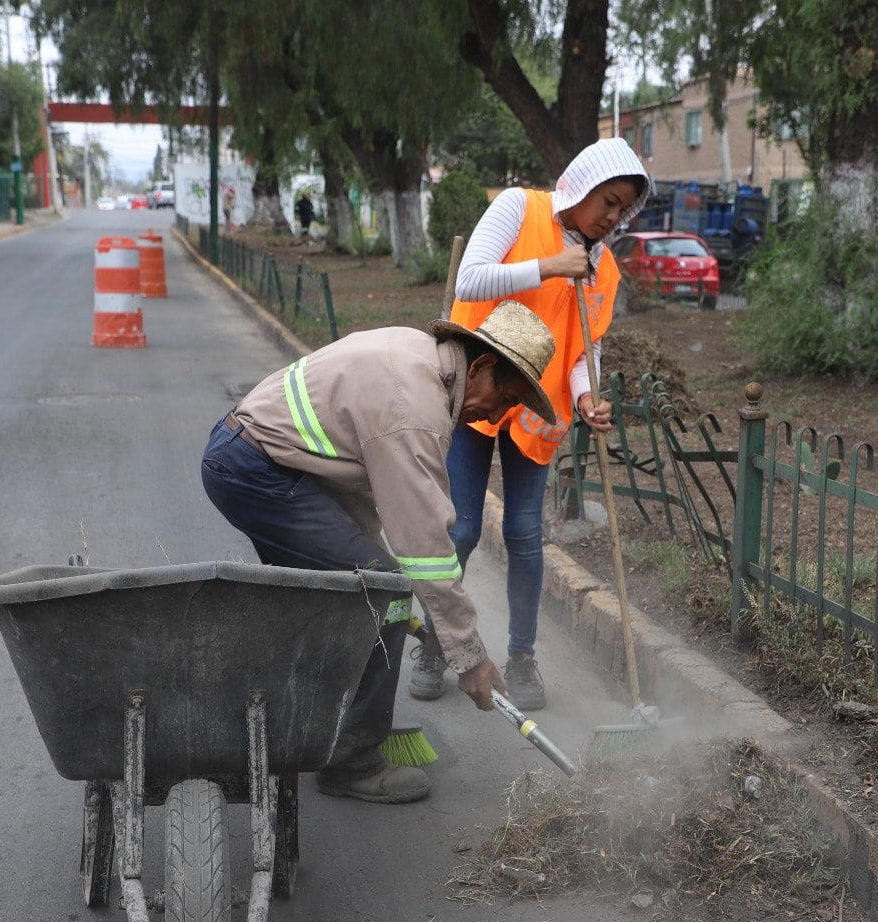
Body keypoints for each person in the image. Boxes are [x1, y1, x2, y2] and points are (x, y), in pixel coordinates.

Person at [201, 302, 558, 803]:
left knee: (352, 588)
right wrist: (468, 655)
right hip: (259, 471)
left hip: (258, 460)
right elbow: (426, 547)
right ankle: (352, 763)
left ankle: (302, 728)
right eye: (505, 396)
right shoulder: (414, 409)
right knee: (384, 596)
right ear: (479, 367)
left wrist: (384, 569)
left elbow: (363, 501)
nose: (498, 415)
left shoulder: (414, 355)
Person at [408, 138, 651, 712]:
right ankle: (440, 646)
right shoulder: (520, 207)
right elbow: (470, 280)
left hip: (539, 405)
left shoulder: (603, 269)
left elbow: (583, 350)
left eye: (623, 210)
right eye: (607, 202)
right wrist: (550, 265)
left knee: (523, 533)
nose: (612, 217)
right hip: (480, 387)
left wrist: (589, 396)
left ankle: (521, 656)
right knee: (462, 528)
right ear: (581, 184)